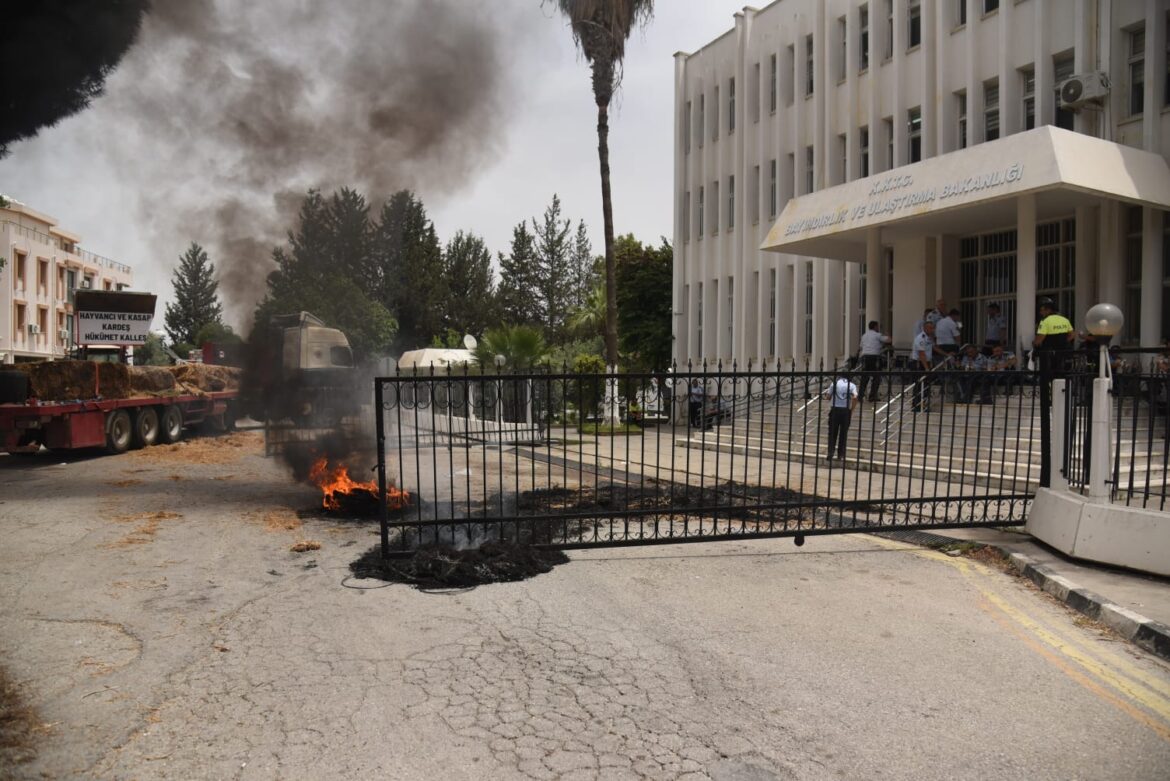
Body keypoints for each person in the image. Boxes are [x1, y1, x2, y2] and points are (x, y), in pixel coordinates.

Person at [825, 371, 858, 461]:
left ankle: (830, 452)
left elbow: (828, 396)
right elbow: (855, 397)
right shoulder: (852, 385)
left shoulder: (834, 384)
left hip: (835, 410)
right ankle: (841, 455)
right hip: (845, 411)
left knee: (832, 433)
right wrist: (852, 409)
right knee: (843, 433)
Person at [857, 321, 891, 402]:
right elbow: (889, 340)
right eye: (878, 326)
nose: (878, 328)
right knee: (876, 377)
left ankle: (860, 396)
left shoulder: (864, 335)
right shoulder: (877, 335)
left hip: (865, 357)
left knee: (864, 377)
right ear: (875, 327)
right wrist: (888, 333)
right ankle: (872, 396)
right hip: (874, 358)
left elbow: (861, 346)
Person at [911, 321, 935, 412]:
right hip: (919, 363)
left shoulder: (929, 338)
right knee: (919, 385)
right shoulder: (921, 338)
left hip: (925, 363)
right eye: (930, 328)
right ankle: (916, 405)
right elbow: (921, 354)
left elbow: (933, 348)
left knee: (926, 386)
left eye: (933, 328)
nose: (932, 330)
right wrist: (926, 368)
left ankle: (923, 404)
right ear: (925, 328)